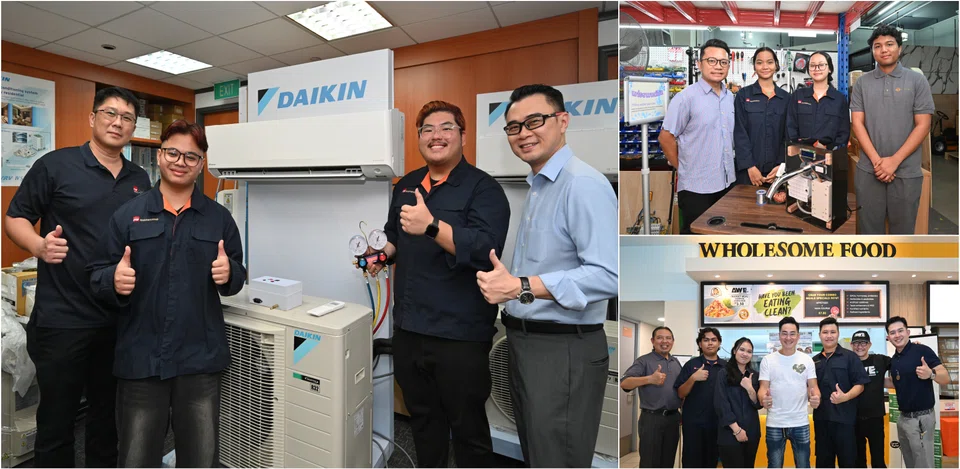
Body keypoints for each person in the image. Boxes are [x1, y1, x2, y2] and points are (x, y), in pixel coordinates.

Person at [4, 87, 151, 468]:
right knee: (57, 422)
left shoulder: (139, 179)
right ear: (92, 118)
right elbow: (15, 217)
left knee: (107, 420)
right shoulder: (56, 165)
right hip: (63, 319)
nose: (117, 122)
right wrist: (38, 246)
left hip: (118, 320)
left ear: (133, 127)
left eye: (127, 117)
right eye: (109, 113)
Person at [86, 120, 245, 467]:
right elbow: (97, 274)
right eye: (173, 152)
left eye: (191, 156)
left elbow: (238, 273)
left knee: (201, 458)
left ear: (201, 164)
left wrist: (230, 273)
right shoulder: (128, 216)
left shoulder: (219, 219)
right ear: (160, 156)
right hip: (141, 357)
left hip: (199, 359)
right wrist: (113, 279)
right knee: (136, 458)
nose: (180, 161)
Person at [476, 84, 618, 467]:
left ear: (563, 121)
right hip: (529, 345)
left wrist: (519, 286)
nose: (523, 133)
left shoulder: (582, 184)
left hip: (563, 352)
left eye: (534, 121)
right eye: (514, 127)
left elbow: (608, 275)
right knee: (541, 456)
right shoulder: (539, 186)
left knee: (558, 459)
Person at [369, 101, 510, 467]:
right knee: (423, 422)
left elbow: (486, 250)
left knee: (468, 431)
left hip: (460, 336)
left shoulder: (484, 189)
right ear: (419, 138)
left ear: (462, 135)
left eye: (447, 127)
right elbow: (394, 235)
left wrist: (431, 226)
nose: (436, 136)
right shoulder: (407, 185)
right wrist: (381, 254)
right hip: (410, 330)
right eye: (427, 129)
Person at [850, 24, 935, 234]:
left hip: (906, 172)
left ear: (900, 48)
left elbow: (923, 124)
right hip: (869, 171)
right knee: (869, 232)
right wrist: (878, 163)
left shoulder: (917, 80)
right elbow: (857, 123)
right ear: (873, 51)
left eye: (889, 44)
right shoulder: (862, 83)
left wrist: (894, 161)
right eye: (877, 46)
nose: (884, 50)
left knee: (903, 233)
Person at [660, 38, 735, 233]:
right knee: (695, 240)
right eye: (712, 61)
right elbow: (666, 138)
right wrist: (683, 167)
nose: (718, 66)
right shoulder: (685, 98)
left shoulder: (730, 98)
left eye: (723, 62)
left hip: (727, 183)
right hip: (696, 188)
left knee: (721, 240)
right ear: (699, 64)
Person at [886, 316, 950, 468]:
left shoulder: (922, 351)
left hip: (922, 418)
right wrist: (868, 381)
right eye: (893, 332)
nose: (897, 335)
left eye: (900, 331)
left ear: (908, 332)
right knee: (910, 462)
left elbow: (946, 377)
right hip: (903, 418)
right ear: (888, 337)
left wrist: (931, 374)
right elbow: (896, 383)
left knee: (924, 463)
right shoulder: (894, 360)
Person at [758, 316, 820, 468]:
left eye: (792, 334)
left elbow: (814, 387)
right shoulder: (768, 360)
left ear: (798, 336)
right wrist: (763, 399)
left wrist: (816, 398)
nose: (788, 337)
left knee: (803, 465)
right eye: (784, 333)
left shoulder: (807, 360)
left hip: (800, 422)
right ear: (779, 335)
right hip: (775, 423)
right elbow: (763, 389)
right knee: (774, 465)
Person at [620, 326, 683, 468]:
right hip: (652, 419)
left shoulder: (675, 362)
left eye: (668, 338)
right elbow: (624, 383)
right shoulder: (644, 361)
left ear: (673, 341)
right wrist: (650, 379)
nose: (664, 341)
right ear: (652, 341)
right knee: (650, 462)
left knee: (668, 461)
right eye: (660, 338)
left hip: (673, 418)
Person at [812, 318, 870, 468]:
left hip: (845, 421)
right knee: (823, 463)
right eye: (825, 332)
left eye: (832, 332)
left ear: (838, 334)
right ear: (819, 335)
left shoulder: (850, 357)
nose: (829, 335)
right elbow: (810, 387)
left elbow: (860, 385)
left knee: (848, 462)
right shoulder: (814, 361)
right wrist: (811, 397)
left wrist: (845, 397)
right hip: (822, 421)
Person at [734, 47, 789, 187]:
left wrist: (781, 164)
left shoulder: (786, 98)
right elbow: (740, 133)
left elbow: (788, 135)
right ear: (754, 66)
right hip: (748, 172)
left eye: (769, 62)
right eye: (759, 62)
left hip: (777, 172)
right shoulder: (743, 95)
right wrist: (749, 166)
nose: (765, 67)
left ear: (776, 65)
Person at [675, 327, 726, 468]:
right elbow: (680, 393)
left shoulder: (726, 367)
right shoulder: (691, 365)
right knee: (692, 460)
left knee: (712, 460)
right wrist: (693, 378)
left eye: (714, 340)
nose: (710, 343)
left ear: (719, 343)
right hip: (693, 423)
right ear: (700, 344)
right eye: (706, 340)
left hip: (717, 423)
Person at [786, 51, 850, 152]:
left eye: (821, 65)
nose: (816, 69)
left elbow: (844, 132)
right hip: (801, 153)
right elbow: (790, 126)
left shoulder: (839, 99)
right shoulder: (798, 96)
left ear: (830, 69)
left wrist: (827, 148)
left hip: (829, 155)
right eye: (812, 65)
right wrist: (800, 146)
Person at [715, 337, 762, 468]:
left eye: (749, 351)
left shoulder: (754, 375)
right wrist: (737, 430)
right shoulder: (723, 374)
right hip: (729, 433)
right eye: (742, 349)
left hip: (751, 432)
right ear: (735, 351)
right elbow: (721, 404)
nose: (745, 354)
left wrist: (750, 388)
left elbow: (758, 404)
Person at [851, 330, 891, 468]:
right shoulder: (848, 363)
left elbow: (900, 362)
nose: (860, 346)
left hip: (875, 418)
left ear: (869, 344)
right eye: (856, 343)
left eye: (863, 343)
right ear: (851, 345)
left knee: (878, 459)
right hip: (854, 419)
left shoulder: (880, 360)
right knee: (858, 461)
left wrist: (913, 348)